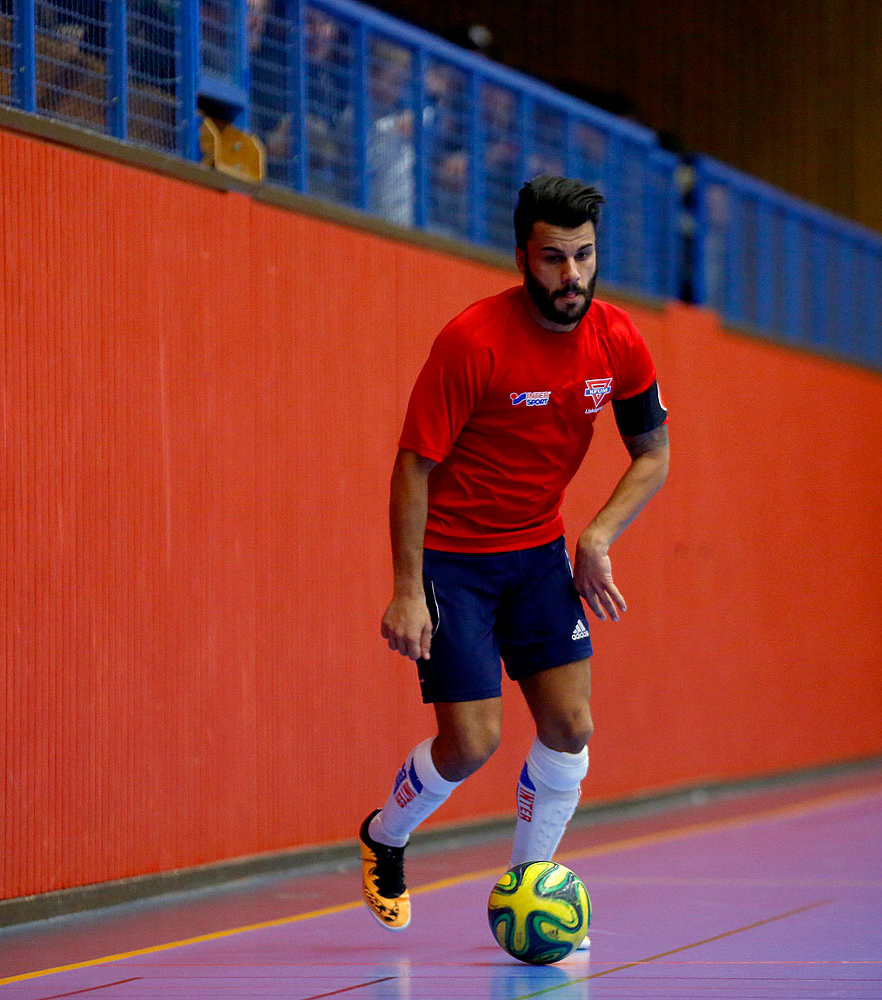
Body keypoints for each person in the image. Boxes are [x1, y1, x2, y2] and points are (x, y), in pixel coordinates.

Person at [359, 176, 671, 938]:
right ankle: (385, 837)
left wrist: (595, 536)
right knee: (472, 743)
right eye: (554, 258)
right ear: (523, 257)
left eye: (585, 257)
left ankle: (528, 885)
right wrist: (407, 589)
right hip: (454, 562)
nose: (572, 276)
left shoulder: (619, 340)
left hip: (537, 555)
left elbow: (653, 453)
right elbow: (412, 467)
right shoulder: (473, 342)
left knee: (571, 725)